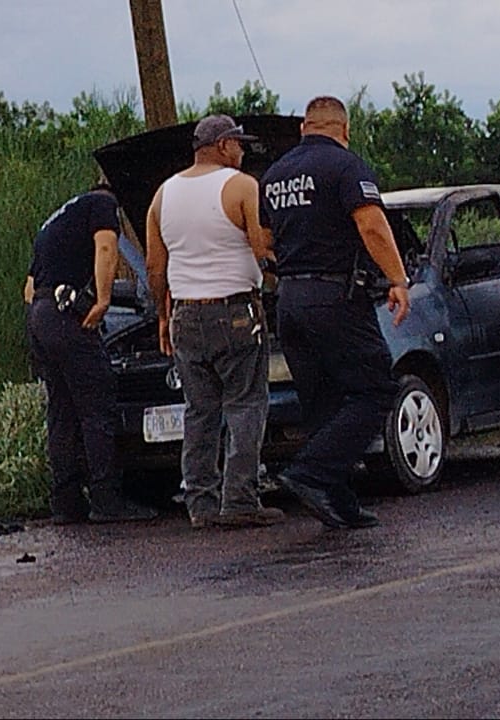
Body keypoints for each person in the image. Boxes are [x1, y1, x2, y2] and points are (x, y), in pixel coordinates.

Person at [258, 95, 411, 530]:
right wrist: (397, 279)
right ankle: (312, 472)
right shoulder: (347, 167)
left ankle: (339, 503)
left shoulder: (274, 175)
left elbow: (262, 242)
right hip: (334, 296)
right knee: (376, 388)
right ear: (343, 130)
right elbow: (371, 225)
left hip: (289, 299)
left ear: (304, 127)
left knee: (323, 401)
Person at [144, 115, 284, 530]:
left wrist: (164, 315)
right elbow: (262, 248)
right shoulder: (241, 186)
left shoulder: (162, 195)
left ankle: (200, 504)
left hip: (186, 312)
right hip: (235, 310)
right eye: (238, 144)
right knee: (245, 404)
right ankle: (240, 499)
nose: (243, 151)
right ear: (223, 145)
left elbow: (155, 265)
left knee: (199, 410)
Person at [23, 184, 159, 523]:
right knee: (97, 409)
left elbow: (27, 289)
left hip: (41, 315)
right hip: (68, 319)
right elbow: (105, 248)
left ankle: (66, 503)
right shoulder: (102, 203)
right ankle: (107, 500)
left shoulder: (55, 221)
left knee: (61, 411)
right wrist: (102, 300)